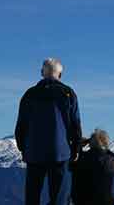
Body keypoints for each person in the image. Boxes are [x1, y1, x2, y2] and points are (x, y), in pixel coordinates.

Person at [15, 58, 82, 205]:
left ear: (41, 73)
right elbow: (75, 125)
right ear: (60, 74)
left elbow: (21, 125)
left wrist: (23, 148)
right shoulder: (68, 94)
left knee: (32, 196)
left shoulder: (29, 94)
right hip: (60, 153)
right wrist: (76, 148)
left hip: (34, 152)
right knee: (58, 198)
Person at [72, 129, 114, 205]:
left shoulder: (83, 158)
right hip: (105, 202)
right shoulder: (111, 160)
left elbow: (72, 166)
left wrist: (79, 147)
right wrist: (105, 147)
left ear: (90, 143)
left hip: (83, 201)